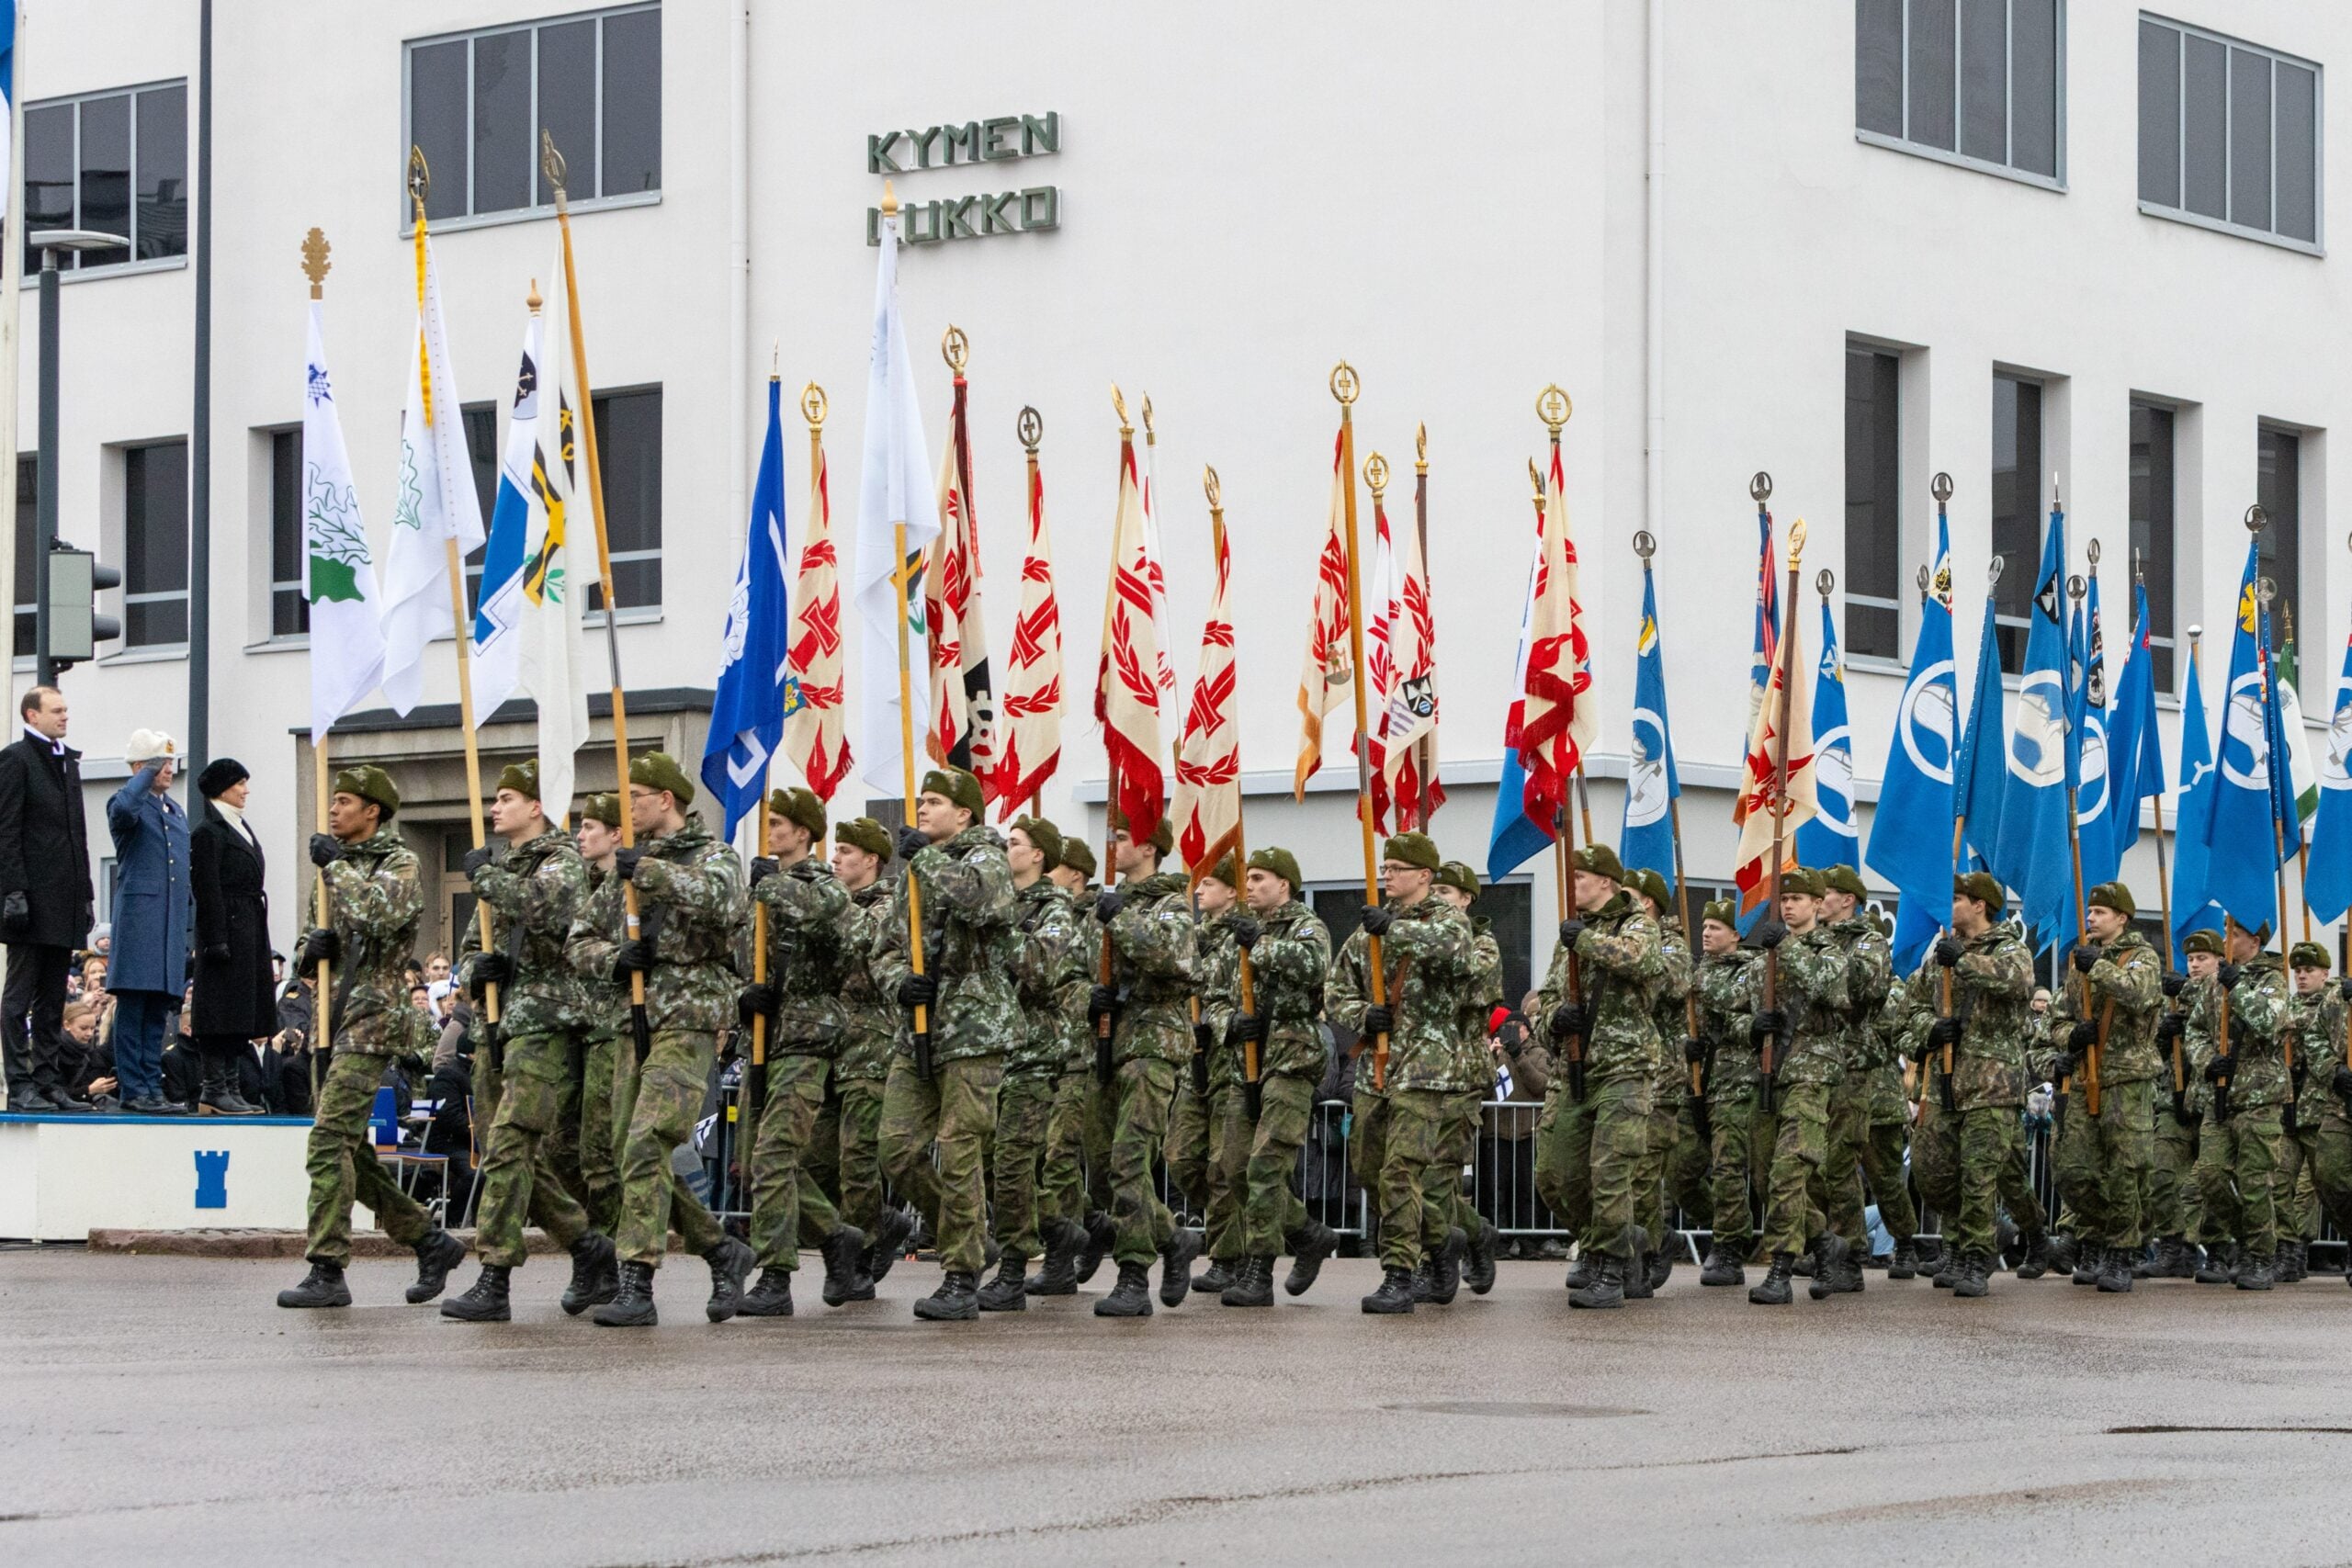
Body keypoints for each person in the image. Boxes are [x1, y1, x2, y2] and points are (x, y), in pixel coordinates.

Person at [568, 751, 754, 1328]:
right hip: (634, 1019)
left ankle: (637, 1280)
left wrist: (649, 873)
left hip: (688, 1018)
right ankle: (721, 1249)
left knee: (648, 1142)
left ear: (665, 801)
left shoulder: (712, 855)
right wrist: (614, 959)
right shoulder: (625, 868)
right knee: (632, 1151)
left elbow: (725, 903)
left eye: (636, 798)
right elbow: (578, 942)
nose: (627, 810)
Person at [276, 766, 468, 1309]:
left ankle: (327, 1267)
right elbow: (313, 942)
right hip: (330, 1017)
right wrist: (308, 951)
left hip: (373, 1016)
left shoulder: (399, 863)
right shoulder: (333, 868)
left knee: (327, 1139)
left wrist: (335, 867)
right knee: (351, 1150)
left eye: (344, 802)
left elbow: (376, 915)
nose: (333, 811)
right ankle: (429, 1241)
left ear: (372, 812)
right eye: (331, 802)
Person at [440, 761, 616, 1324]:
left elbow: (547, 907)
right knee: (502, 1150)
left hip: (546, 1022)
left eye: (507, 798)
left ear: (536, 807)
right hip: (499, 1025)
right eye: (494, 798)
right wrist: (477, 970)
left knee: (516, 1142)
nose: (495, 808)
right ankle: (589, 1246)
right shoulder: (504, 867)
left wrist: (485, 878)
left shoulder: (561, 860)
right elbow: (471, 946)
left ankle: (495, 1276)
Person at [870, 767, 1020, 1321]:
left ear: (964, 814)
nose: (923, 810)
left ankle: (959, 1273)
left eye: (934, 802)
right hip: (916, 1030)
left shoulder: (988, 860)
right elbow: (883, 948)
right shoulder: (913, 873)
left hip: (974, 1027)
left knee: (960, 1148)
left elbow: (982, 904)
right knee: (898, 1149)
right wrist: (898, 982)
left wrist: (924, 860)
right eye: (921, 801)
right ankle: (972, 1236)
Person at [1329, 831, 1482, 1314]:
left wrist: (1392, 931)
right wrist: (1361, 1015)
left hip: (1427, 1066)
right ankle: (1442, 1238)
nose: (1387, 875)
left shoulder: (1448, 920)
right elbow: (1335, 988)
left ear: (1424, 876)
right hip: (1377, 1067)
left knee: (1401, 1171)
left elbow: (1455, 950)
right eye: (1385, 867)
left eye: (1396, 869)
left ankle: (1398, 1273)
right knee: (1370, 1171)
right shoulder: (1369, 931)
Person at [733, 785, 870, 1319]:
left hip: (806, 1038)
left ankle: (775, 1274)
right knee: (757, 1161)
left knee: (774, 1157)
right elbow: (735, 957)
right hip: (763, 1037)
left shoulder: (824, 887)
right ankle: (837, 1235)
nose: (771, 833)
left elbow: (823, 917)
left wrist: (774, 889)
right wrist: (744, 995)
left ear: (806, 833)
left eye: (781, 825)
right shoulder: (762, 889)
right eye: (768, 824)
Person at [1527, 843, 1668, 1309]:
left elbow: (1643, 961)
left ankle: (1610, 1265)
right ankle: (1610, 1237)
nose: (1572, 888)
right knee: (1555, 1172)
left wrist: (1582, 941)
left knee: (1610, 1171)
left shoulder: (1637, 925)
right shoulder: (1571, 935)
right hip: (1576, 1067)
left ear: (1606, 882)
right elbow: (1546, 995)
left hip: (1626, 1067)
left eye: (1579, 878)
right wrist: (1555, 1020)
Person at [1079, 804, 1204, 1317]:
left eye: (1123, 835)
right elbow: (1072, 973)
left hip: (1153, 1044)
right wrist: (1090, 998)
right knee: (1105, 1167)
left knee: (1132, 1159)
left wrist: (1122, 920)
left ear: (1149, 846)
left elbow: (1177, 960)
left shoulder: (1170, 904)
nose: (1114, 846)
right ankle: (1173, 1239)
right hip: (1106, 1042)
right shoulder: (1104, 906)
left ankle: (1133, 1274)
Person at [1905, 871, 2037, 1299]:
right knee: (1933, 1171)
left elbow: (2016, 983)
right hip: (1944, 1078)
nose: (1951, 905)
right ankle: (1963, 1240)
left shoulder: (2008, 949)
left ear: (1980, 905)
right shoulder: (1941, 955)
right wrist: (1931, 1029)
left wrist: (1960, 961)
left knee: (1979, 1174)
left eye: (1958, 898)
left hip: (1992, 1082)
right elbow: (1906, 1015)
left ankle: (1975, 1257)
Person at [1216, 845, 1336, 1306]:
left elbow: (1312, 967)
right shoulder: (1239, 933)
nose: (1249, 886)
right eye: (1248, 879)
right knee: (1234, 1166)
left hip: (1291, 1058)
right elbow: (1215, 992)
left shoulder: (1308, 926)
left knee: (1267, 1166)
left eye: (1260, 878)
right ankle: (1307, 1233)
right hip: (1245, 1061)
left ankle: (1259, 1268)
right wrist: (1230, 1021)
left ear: (1284, 885)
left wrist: (1259, 944)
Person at [982, 814, 1088, 1310]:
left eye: (1016, 843)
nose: (1007, 848)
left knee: (1013, 1161)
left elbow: (1040, 969)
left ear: (1038, 855)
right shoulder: (1002, 903)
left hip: (1036, 1050)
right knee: (993, 1162)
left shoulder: (1056, 909)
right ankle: (1064, 1231)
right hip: (993, 1047)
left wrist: (1000, 925)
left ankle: (1012, 1265)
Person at [2038, 882, 2163, 1293]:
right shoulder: (2080, 962)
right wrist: (2073, 1035)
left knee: (2125, 1169)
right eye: (2089, 912)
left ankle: (2120, 1252)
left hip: (2128, 1078)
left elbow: (2140, 994)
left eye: (2100, 913)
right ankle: (2103, 1232)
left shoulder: (2141, 956)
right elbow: (2056, 1020)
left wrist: (2101, 968)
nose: (2090, 918)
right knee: (2072, 1168)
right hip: (2086, 1077)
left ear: (2122, 919)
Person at [1741, 867, 1854, 1306]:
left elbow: (1831, 989)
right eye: (1784, 901)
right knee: (1768, 1174)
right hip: (1770, 1071)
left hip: (1812, 1071)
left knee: (1790, 1168)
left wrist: (1785, 947)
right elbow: (1743, 1007)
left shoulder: (1829, 949)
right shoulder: (1765, 955)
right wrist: (1754, 1026)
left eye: (1798, 900)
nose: (1788, 906)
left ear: (1816, 905)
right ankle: (1825, 1242)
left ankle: (1781, 1268)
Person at [811, 817, 914, 1282]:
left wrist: (819, 900)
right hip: (829, 1044)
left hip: (871, 1046)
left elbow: (868, 951)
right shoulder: (838, 904)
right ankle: (871, 1227)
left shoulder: (888, 905)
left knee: (857, 1159)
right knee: (814, 1158)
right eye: (836, 850)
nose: (835, 859)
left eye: (847, 852)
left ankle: (862, 1250)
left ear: (872, 860)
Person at [0, 686, 97, 1112]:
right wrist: (13, 890)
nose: (64, 717)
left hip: (64, 900)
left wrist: (87, 893)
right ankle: (19, 1082)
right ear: (31, 715)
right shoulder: (16, 760)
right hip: (30, 901)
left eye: (66, 710)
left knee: (53, 998)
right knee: (18, 996)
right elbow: (6, 831)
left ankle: (46, 1080)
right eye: (56, 711)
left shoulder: (66, 763)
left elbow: (78, 834)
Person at [2193, 915, 2290, 1290]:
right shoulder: (2215, 981)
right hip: (2220, 1093)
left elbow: (2269, 1022)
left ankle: (2262, 1258)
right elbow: (2196, 1029)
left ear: (2254, 940)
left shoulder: (2271, 979)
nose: (2226, 940)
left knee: (2254, 1182)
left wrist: (2240, 990)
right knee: (2210, 1175)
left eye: (2233, 934)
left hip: (2259, 1095)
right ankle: (2252, 1241)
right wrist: (2205, 1060)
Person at [1030, 833, 1107, 1295]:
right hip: (1046, 1052)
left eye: (1054, 867)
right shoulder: (1042, 912)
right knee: (1037, 1154)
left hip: (1082, 1053)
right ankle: (1093, 1222)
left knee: (1061, 1155)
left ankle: (1061, 1255)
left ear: (1074, 874)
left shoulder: (1096, 918)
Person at [1169, 854, 1249, 1295]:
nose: (1199, 891)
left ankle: (1226, 1255)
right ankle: (1250, 1218)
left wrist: (1216, 1023)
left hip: (1229, 1062)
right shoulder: (1194, 938)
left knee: (1223, 1164)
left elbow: (1240, 999)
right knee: (1181, 1158)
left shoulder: (1242, 937)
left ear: (1232, 892)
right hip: (1192, 1060)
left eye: (1210, 884)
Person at [1426, 860, 1506, 1301]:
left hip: (1460, 1072)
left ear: (1466, 899)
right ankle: (1476, 1234)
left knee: (1438, 1176)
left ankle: (1436, 1259)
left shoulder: (1483, 944)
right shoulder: (1417, 932)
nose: (1436, 899)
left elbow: (1470, 989)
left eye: (1445, 893)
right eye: (1432, 891)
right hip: (1417, 1070)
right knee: (1410, 1176)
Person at [105, 730, 193, 1116]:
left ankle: (151, 1084)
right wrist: (142, 775)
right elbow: (122, 810)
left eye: (171, 763)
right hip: (141, 922)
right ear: (141, 767)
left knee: (158, 1009)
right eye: (160, 763)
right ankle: (133, 1087)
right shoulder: (130, 803)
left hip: (168, 924)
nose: (169, 770)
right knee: (134, 1006)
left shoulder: (174, 811)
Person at [188, 758, 272, 1116]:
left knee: (242, 1008)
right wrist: (215, 938)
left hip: (249, 924)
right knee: (220, 1009)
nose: (246, 790)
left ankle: (233, 1087)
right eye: (240, 783)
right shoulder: (209, 833)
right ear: (223, 788)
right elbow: (206, 889)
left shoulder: (239, 826)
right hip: (227, 927)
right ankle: (215, 1087)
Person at [1692, 899, 1758, 1285]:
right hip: (1696, 1081)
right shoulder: (1694, 971)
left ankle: (1729, 1246)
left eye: (1716, 927)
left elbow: (1750, 1019)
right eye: (1705, 926)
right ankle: (1730, 1223)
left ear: (1736, 935)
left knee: (1729, 1167)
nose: (1706, 933)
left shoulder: (1750, 970)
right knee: (1683, 1169)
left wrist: (1722, 1027)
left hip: (1735, 1081)